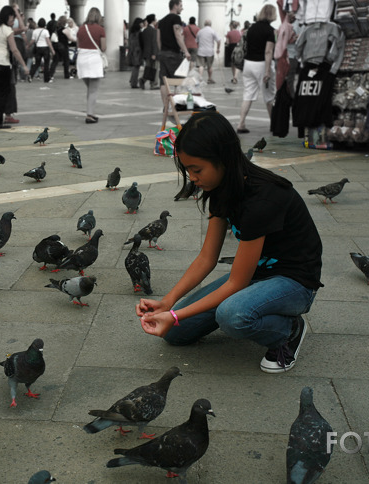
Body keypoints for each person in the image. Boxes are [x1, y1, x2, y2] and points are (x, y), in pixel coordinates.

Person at [137, 111, 322, 373]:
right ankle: (257, 309)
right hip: (256, 274)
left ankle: (288, 330)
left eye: (196, 169)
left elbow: (237, 283)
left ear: (222, 159)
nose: (192, 178)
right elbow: (207, 258)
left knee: (232, 315)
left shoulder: (263, 199)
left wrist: (176, 314)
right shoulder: (221, 189)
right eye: (187, 169)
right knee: (175, 334)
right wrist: (168, 303)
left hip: (295, 281)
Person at [0, 5, 28, 129]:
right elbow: (14, 50)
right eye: (12, 18)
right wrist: (24, 65)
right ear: (7, 16)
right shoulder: (7, 30)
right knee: (5, 92)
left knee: (1, 91)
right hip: (3, 63)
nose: (13, 21)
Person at [237, 5, 277, 133]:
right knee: (269, 96)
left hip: (248, 64)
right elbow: (268, 52)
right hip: (261, 64)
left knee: (248, 94)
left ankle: (241, 123)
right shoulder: (270, 31)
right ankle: (274, 124)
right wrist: (267, 71)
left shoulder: (251, 28)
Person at [157, 0, 191, 111]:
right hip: (173, 54)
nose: (182, 8)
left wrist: (161, 50)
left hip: (163, 53)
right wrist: (185, 51)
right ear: (175, 6)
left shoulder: (161, 21)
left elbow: (158, 39)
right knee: (180, 79)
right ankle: (177, 104)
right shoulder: (176, 18)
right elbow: (178, 35)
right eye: (181, 6)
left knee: (163, 81)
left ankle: (165, 106)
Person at [76, 7, 106, 124]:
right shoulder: (100, 29)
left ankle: (91, 112)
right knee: (93, 90)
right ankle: (89, 115)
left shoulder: (81, 29)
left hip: (82, 59)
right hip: (94, 60)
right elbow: (103, 48)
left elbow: (78, 44)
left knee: (90, 89)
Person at [29, 18, 55, 83]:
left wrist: (28, 46)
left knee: (37, 63)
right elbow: (48, 41)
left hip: (38, 48)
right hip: (45, 48)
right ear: (44, 24)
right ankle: (46, 79)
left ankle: (30, 75)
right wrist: (52, 50)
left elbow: (32, 41)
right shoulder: (46, 31)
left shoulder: (35, 31)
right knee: (46, 64)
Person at [139, 13, 158, 90]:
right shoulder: (154, 31)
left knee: (148, 68)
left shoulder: (144, 31)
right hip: (152, 53)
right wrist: (154, 53)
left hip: (146, 53)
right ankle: (151, 83)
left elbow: (142, 42)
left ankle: (144, 80)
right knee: (153, 69)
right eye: (155, 19)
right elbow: (154, 42)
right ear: (153, 21)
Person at [127, 17, 144, 88]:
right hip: (138, 51)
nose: (142, 24)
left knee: (135, 67)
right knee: (136, 67)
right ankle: (134, 83)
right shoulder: (139, 33)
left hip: (132, 51)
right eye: (141, 23)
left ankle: (132, 80)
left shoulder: (131, 32)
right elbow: (141, 43)